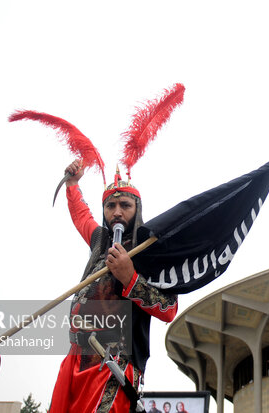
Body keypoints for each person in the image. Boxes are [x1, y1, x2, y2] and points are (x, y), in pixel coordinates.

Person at [49, 160, 178, 413]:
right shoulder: (100, 241)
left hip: (114, 362)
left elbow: (169, 308)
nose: (117, 212)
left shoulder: (150, 250)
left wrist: (130, 277)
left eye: (125, 205)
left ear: (137, 208)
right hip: (76, 358)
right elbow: (82, 216)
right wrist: (73, 184)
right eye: (111, 205)